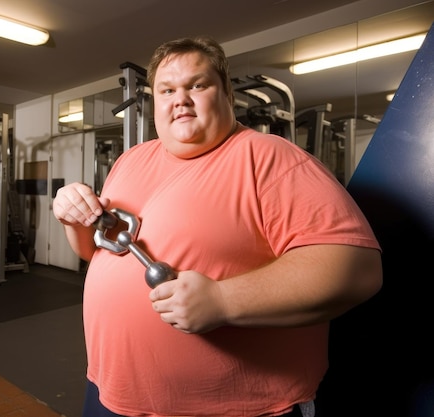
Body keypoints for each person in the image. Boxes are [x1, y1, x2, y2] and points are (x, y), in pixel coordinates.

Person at [52, 36, 382, 417]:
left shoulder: (268, 157)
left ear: (226, 92)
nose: (180, 99)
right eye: (167, 90)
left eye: (197, 85)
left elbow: (357, 270)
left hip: (228, 407)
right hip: (111, 391)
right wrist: (72, 218)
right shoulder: (131, 160)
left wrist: (225, 301)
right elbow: (97, 251)